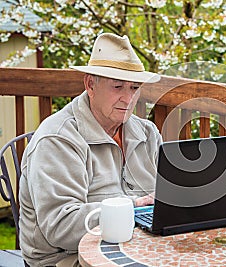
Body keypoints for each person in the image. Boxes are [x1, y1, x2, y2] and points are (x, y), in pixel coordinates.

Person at [18, 33, 162, 267]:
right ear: (90, 85)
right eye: (118, 87)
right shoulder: (57, 139)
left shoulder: (147, 133)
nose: (128, 98)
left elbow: (166, 199)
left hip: (139, 249)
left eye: (135, 87)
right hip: (67, 258)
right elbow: (60, 226)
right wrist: (133, 207)